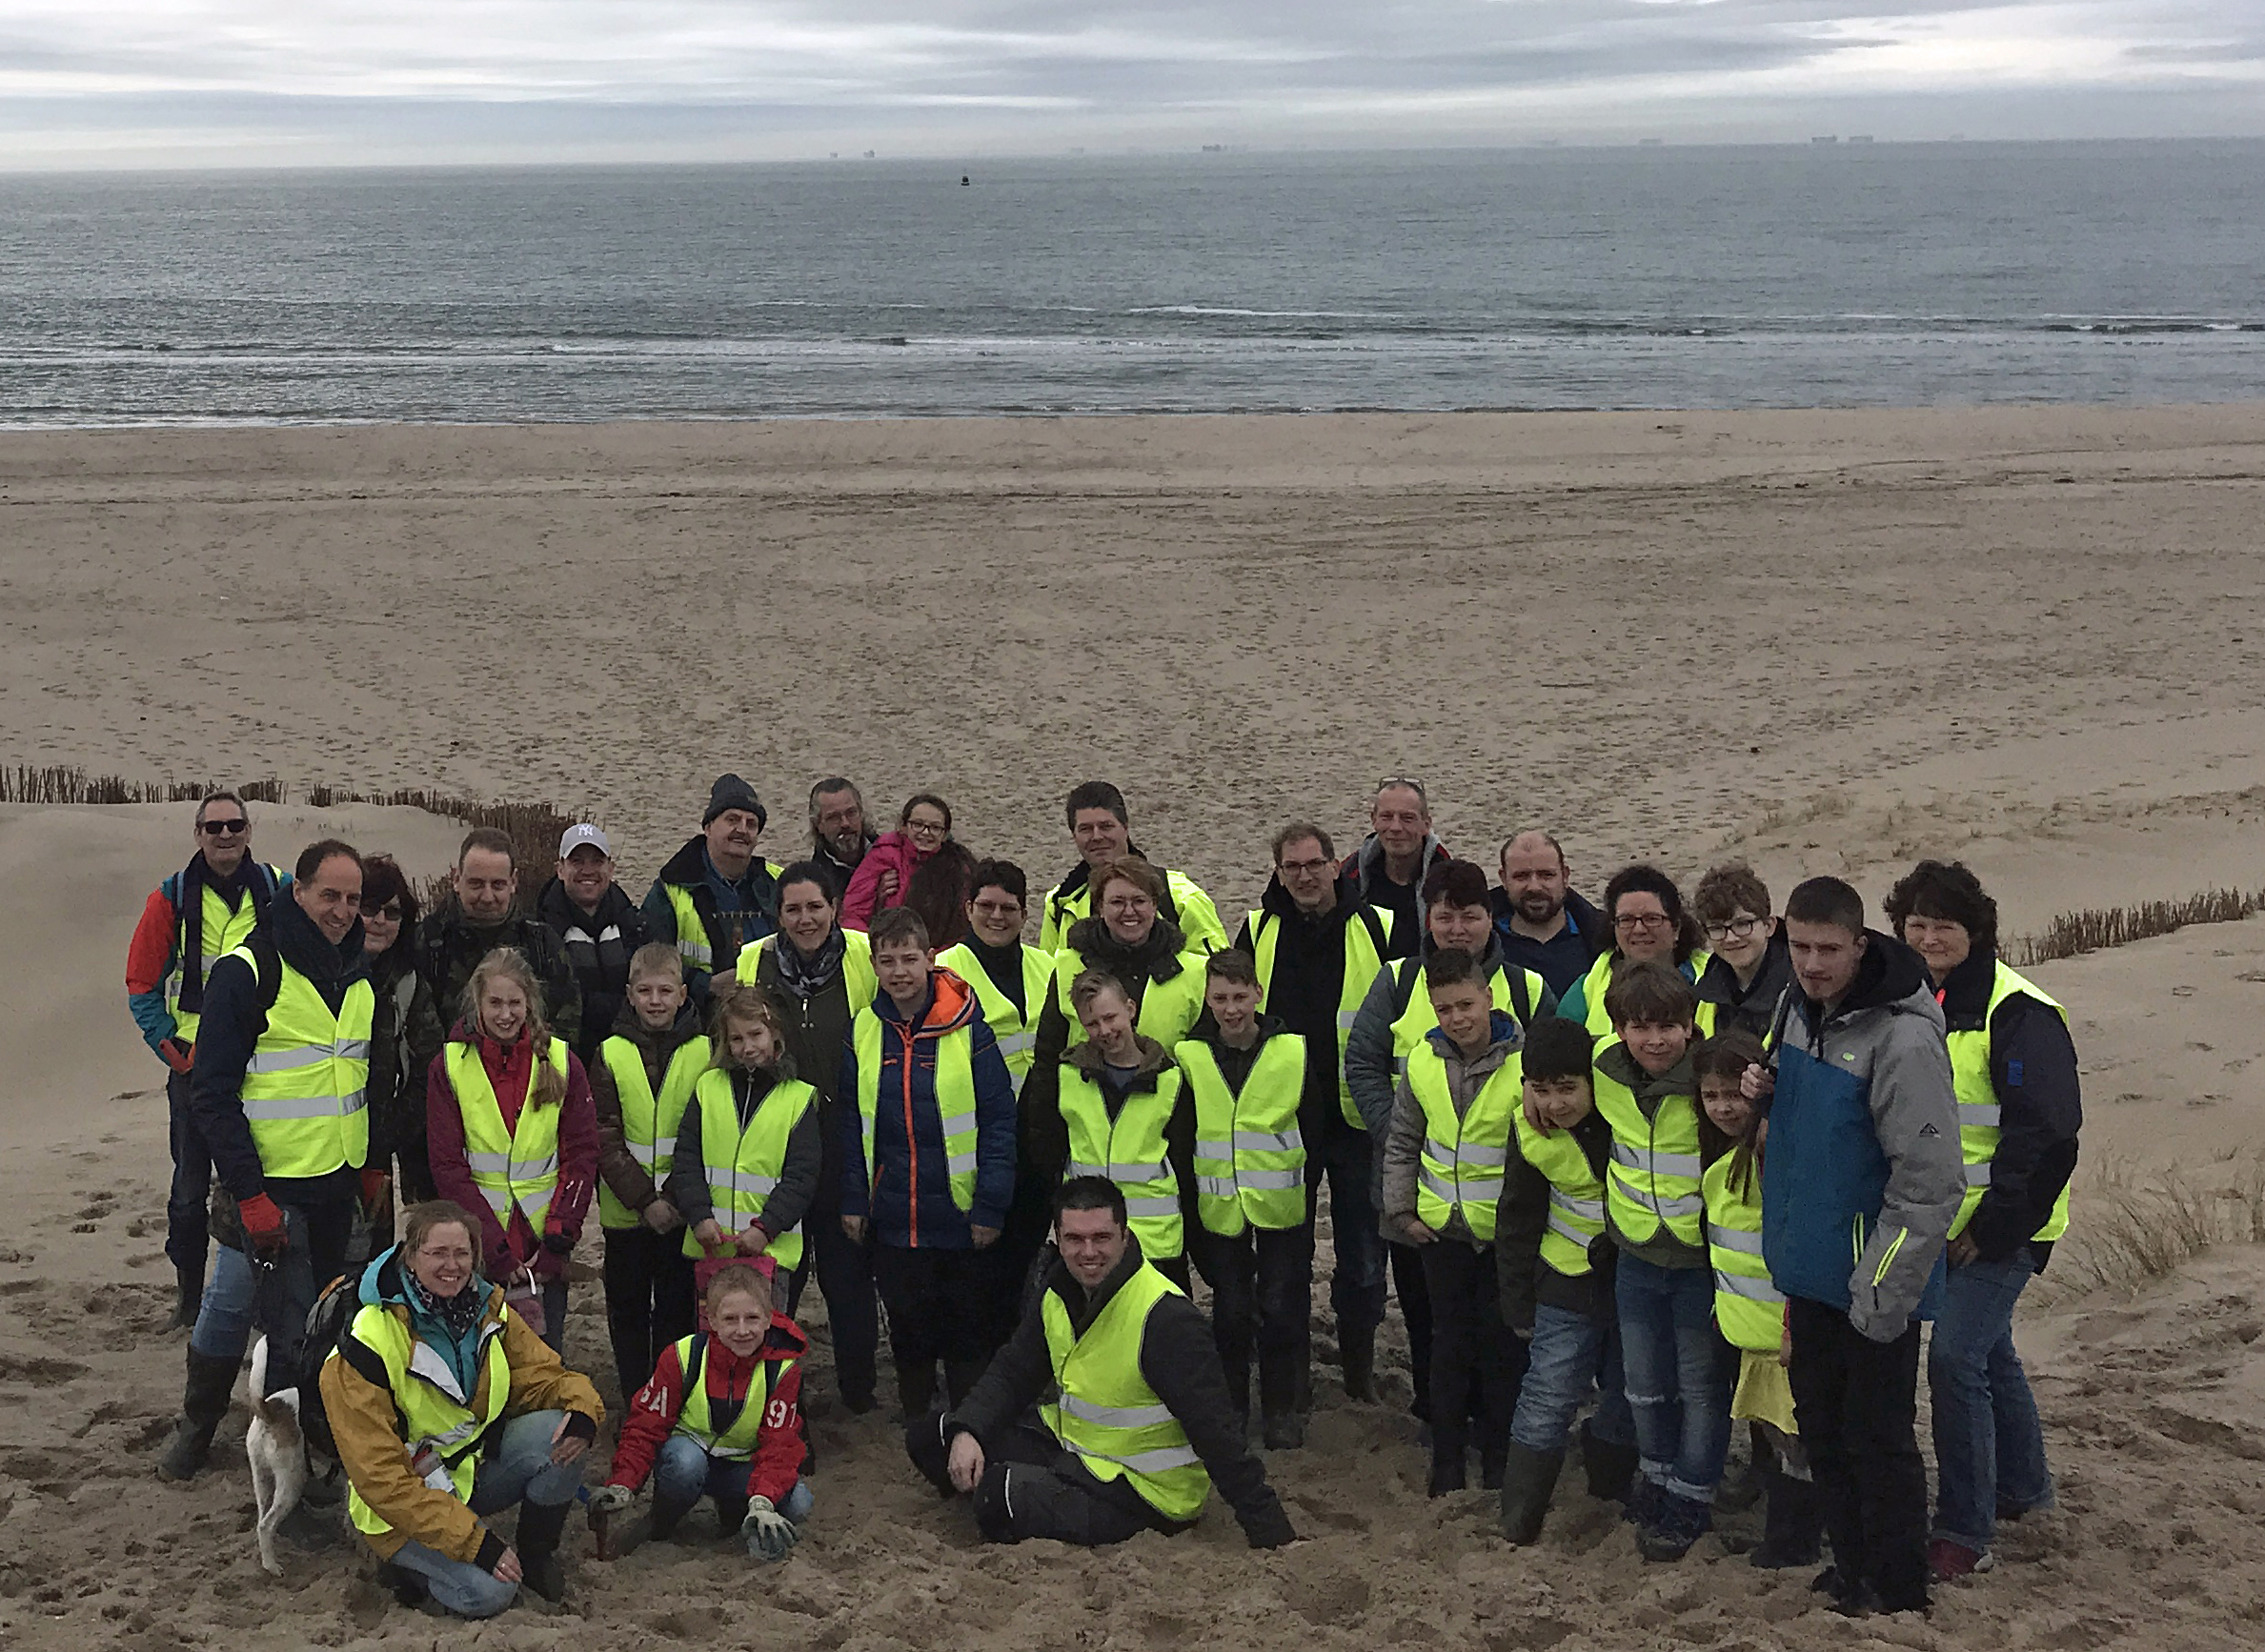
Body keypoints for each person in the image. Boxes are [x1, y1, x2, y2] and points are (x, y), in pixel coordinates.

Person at [1759, 876, 1963, 1618]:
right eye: (1799, 947)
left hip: (1873, 1278)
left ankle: (1900, 1589)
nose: (1811, 964)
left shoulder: (1903, 1037)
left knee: (1876, 1441)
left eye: (1827, 950)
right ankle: (1850, 1570)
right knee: (1821, 1431)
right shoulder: (1794, 1005)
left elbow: (1930, 1181)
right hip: (1807, 1267)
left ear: (1860, 943)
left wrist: (1878, 1290)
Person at [905, 1177, 1296, 1549]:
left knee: (998, 1495)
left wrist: (1268, 1528)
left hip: (1145, 1491)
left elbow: (1219, 1434)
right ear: (1057, 1240)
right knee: (935, 1434)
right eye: (1074, 1239)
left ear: (1125, 1237)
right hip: (1076, 1449)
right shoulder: (1057, 1290)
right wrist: (969, 1431)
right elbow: (1012, 1373)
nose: (1088, 1252)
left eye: (1101, 1238)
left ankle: (1013, 1491)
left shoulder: (1165, 1317)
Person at [1885, 859, 2080, 1583]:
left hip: (2001, 1228)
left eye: (1944, 925)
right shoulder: (1908, 1000)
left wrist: (1994, 1229)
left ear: (1976, 932)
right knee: (1990, 1352)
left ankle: (1964, 1531)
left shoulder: (2016, 1011)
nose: (1929, 936)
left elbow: (2048, 1133)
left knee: (1954, 1359)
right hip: (1934, 1221)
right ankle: (2026, 1489)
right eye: (1916, 924)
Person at [322, 1199, 602, 1615]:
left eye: (462, 1253)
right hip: (398, 1505)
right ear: (411, 1257)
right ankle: (404, 1569)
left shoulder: (488, 1308)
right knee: (491, 1594)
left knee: (563, 1430)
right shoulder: (368, 1340)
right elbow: (381, 1480)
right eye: (437, 1253)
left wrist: (583, 1409)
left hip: (463, 1475)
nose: (451, 1265)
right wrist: (476, 1543)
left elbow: (544, 1375)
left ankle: (537, 1556)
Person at [1344, 857, 1549, 1420]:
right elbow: (1362, 1062)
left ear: (1491, 919)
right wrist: (1403, 1135)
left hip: (1502, 1202)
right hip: (1423, 1189)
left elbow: (1552, 1073)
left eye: (1470, 916)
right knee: (1427, 1315)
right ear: (1427, 918)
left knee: (1499, 1323)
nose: (1457, 928)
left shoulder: (1527, 989)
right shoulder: (1399, 980)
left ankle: (1492, 1419)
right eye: (1444, 916)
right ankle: (1438, 1415)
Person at [187, 837, 372, 1395]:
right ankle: (200, 1423)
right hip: (273, 1186)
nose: (342, 912)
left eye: (353, 899)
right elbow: (212, 1095)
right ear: (297, 891)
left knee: (332, 1328)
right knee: (278, 1330)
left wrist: (372, 1167)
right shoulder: (247, 971)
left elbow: (364, 1081)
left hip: (341, 1185)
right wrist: (250, 1196)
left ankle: (313, 1439)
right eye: (329, 896)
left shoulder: (360, 971)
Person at [1232, 822, 1393, 1402]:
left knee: (1363, 1263)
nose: (1303, 876)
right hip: (1284, 1121)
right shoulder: (1255, 930)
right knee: (1284, 1266)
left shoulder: (1377, 927)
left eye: (1313, 864)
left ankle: (1359, 1372)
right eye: (1291, 867)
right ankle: (1289, 1383)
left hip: (1355, 1121)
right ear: (1278, 872)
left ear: (1335, 866)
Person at [839, 907, 1019, 1415]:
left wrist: (990, 1207)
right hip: (893, 1215)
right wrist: (855, 1198)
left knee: (966, 1329)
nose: (899, 971)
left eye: (909, 959)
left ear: (930, 959)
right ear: (873, 965)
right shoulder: (864, 1030)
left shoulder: (970, 1030)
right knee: (909, 1328)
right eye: (887, 960)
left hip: (960, 1214)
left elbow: (999, 1123)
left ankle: (967, 1420)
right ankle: (919, 1419)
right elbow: (853, 1124)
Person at [126, 791, 287, 1327]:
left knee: (260, 1182)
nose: (224, 835)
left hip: (265, 1060)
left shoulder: (278, 888)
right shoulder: (169, 899)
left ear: (248, 830)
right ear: (197, 834)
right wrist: (173, 1050)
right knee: (189, 1190)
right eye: (213, 826)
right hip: (196, 1068)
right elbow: (142, 983)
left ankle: (267, 1299)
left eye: (234, 825)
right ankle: (189, 1299)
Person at [1592, 961, 1729, 1561]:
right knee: (1644, 1383)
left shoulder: (1708, 1082)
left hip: (1700, 1261)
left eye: (1669, 1026)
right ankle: (1656, 1475)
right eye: (1639, 1027)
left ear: (1691, 1025)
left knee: (1700, 1386)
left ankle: (1692, 1494)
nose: (1654, 1039)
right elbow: (1546, 1070)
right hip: (1636, 1255)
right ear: (1619, 1029)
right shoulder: (1603, 1072)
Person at [732, 863, 880, 1411]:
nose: (805, 918)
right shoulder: (756, 961)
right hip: (778, 1143)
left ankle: (859, 1390)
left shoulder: (863, 956)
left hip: (844, 1138)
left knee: (848, 1279)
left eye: (815, 907)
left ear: (834, 907)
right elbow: (738, 1037)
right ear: (778, 915)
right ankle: (768, 1387)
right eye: (792, 909)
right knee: (778, 1277)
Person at [1380, 949, 1527, 1496]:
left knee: (1502, 1348)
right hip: (1440, 1230)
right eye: (1444, 1009)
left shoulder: (1523, 1064)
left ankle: (1497, 1454)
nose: (1458, 1018)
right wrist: (1402, 1211)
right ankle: (1446, 1459)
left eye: (1466, 1004)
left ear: (1489, 997)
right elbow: (1403, 1140)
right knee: (1448, 1347)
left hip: (1502, 1238)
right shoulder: (1421, 1061)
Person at [1494, 1016, 1637, 1543]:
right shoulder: (1530, 1131)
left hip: (1636, 1278)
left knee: (1629, 1393)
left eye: (1568, 1088)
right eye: (1542, 1090)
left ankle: (1611, 1489)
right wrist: (1518, 1305)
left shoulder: (1626, 1108)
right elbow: (1516, 1219)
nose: (1556, 1103)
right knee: (1548, 1394)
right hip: (1564, 1278)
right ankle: (1520, 1517)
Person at [426, 948, 598, 1352]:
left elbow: (581, 1154)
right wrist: (492, 1249)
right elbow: (448, 1167)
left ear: (530, 1004)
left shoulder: (561, 1062)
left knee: (543, 1363)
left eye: (514, 1003)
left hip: (544, 1247)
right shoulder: (448, 1066)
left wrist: (560, 1239)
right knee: (481, 1365)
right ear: (477, 1004)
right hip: (480, 1248)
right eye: (495, 1003)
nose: (506, 1014)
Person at [1695, 1029, 1821, 1571]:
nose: (1724, 1107)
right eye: (1711, 1096)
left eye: (1735, 1094)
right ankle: (1788, 1538)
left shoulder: (1779, 1162)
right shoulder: (1724, 1167)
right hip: (1751, 1338)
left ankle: (1793, 1545)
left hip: (1784, 1341)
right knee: (1774, 1443)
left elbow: (1800, 1256)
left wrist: (1795, 1328)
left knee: (1798, 1448)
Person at [1175, 950, 1310, 1446]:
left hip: (1282, 1206)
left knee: (1279, 1308)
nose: (1231, 1009)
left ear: (1258, 993)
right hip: (1220, 1207)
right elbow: (1184, 1134)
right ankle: (1231, 1405)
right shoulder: (1190, 1055)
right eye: (1220, 999)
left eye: (1239, 996)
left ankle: (1281, 1408)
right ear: (1207, 1000)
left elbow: (1309, 1127)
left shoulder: (1292, 1049)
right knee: (1230, 1311)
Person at [592, 1262, 813, 1555]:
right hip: (685, 1458)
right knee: (685, 1465)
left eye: (752, 1318)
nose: (742, 1330)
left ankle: (735, 1511)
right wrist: (622, 1485)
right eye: (731, 1319)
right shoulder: (681, 1356)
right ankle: (660, 1521)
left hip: (740, 1466)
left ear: (769, 1318)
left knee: (799, 1503)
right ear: (711, 1320)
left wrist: (762, 1500)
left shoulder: (783, 1369)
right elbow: (645, 1425)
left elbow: (781, 1444)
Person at [591, 943, 707, 1404]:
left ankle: (670, 1401)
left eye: (664, 991)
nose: (655, 1001)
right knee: (628, 1313)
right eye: (645, 991)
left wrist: (675, 1199)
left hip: (682, 1214)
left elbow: (704, 1132)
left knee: (678, 1315)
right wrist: (644, 1199)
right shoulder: (609, 1052)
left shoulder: (706, 1051)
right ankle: (636, 1400)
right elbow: (604, 1134)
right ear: (629, 994)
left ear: (682, 994)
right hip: (627, 1216)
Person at [1031, 971, 1195, 1287]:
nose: (1104, 1031)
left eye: (1110, 1017)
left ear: (1130, 1009)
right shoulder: (1066, 1076)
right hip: (1087, 1243)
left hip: (1155, 1243)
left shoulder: (1170, 1080)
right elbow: (1049, 1150)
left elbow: (1186, 1165)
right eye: (1092, 1024)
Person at [664, 982, 821, 1310]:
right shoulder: (708, 1087)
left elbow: (802, 1176)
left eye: (755, 1035)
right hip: (712, 1246)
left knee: (765, 1342)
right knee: (717, 1342)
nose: (747, 1047)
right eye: (736, 1039)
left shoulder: (798, 1096)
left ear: (774, 1032)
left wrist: (766, 1228)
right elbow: (687, 1158)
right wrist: (699, 1217)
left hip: (770, 1252)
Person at [406, 828, 582, 1118]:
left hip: (526, 1110)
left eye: (498, 884)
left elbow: (568, 1029)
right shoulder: (426, 943)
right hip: (441, 1109)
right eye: (476, 883)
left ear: (514, 882)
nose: (487, 896)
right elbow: (416, 1042)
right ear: (455, 879)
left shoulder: (542, 945)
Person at [1036, 780, 1226, 955]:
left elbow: (1221, 976)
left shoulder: (1179, 898)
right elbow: (1050, 978)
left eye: (1106, 826)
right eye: (1085, 829)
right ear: (1073, 835)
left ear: (1125, 828)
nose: (1097, 837)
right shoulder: (1059, 903)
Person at [642, 775, 779, 1002]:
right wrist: (707, 985)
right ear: (708, 827)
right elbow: (650, 963)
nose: (742, 830)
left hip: (770, 1013)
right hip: (698, 1015)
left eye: (751, 824)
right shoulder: (671, 890)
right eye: (732, 819)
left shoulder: (779, 882)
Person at [536, 822, 652, 1068]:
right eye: (577, 861)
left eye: (597, 862)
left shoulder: (635, 923)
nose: (587, 870)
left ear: (611, 869)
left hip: (628, 1052)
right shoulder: (540, 930)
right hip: (568, 1056)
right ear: (560, 869)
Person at [1557, 864, 1714, 1038]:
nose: (1639, 929)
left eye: (1652, 918)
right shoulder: (1585, 991)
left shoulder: (1717, 979)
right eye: (1626, 920)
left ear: (1676, 928)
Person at [358, 855, 425, 1240]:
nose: (381, 920)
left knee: (375, 1252)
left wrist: (386, 1134)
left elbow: (424, 1071)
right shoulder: (316, 974)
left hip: (379, 1145)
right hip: (316, 1147)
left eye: (393, 911)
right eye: (369, 908)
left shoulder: (408, 982)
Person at [842, 793, 975, 944]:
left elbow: (965, 925)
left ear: (945, 834)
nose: (926, 832)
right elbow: (853, 912)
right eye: (918, 824)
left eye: (935, 827)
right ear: (903, 827)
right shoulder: (883, 855)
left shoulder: (958, 866)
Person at [1336, 777, 1450, 951]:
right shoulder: (1350, 875)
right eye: (1387, 817)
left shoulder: (1449, 879)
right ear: (1373, 820)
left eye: (1407, 818)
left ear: (1426, 824)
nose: (1396, 827)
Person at [1491, 830, 1608, 999]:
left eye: (1546, 875)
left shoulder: (1603, 939)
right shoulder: (1484, 945)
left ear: (1565, 876)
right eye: (1521, 876)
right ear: (1503, 879)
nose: (1534, 887)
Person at [1692, 862, 1791, 1041]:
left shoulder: (1799, 990)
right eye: (1717, 928)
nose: (1731, 938)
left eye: (1743, 924)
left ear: (1769, 926)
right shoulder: (1702, 994)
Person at [808, 776, 877, 893]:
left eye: (851, 813)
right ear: (818, 824)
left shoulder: (889, 853)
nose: (845, 823)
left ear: (861, 813)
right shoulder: (817, 882)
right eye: (833, 817)